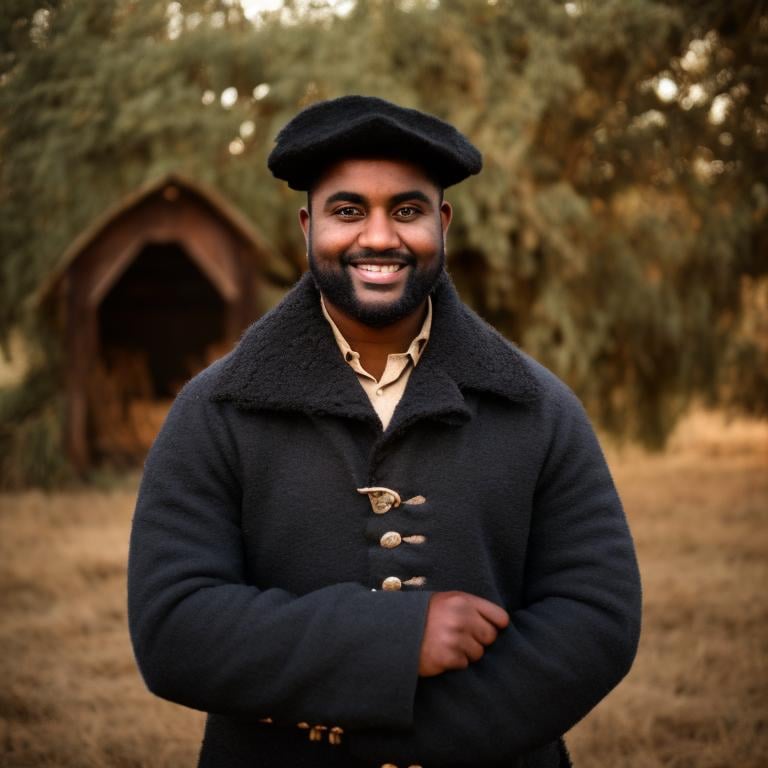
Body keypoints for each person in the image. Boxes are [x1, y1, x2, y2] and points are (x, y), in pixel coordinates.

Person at [128, 95, 642, 768]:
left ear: (443, 222)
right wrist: (397, 639)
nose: (378, 237)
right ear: (306, 226)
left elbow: (596, 619)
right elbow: (175, 630)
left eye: (406, 210)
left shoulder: (540, 408)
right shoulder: (214, 409)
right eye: (348, 211)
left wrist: (403, 737)